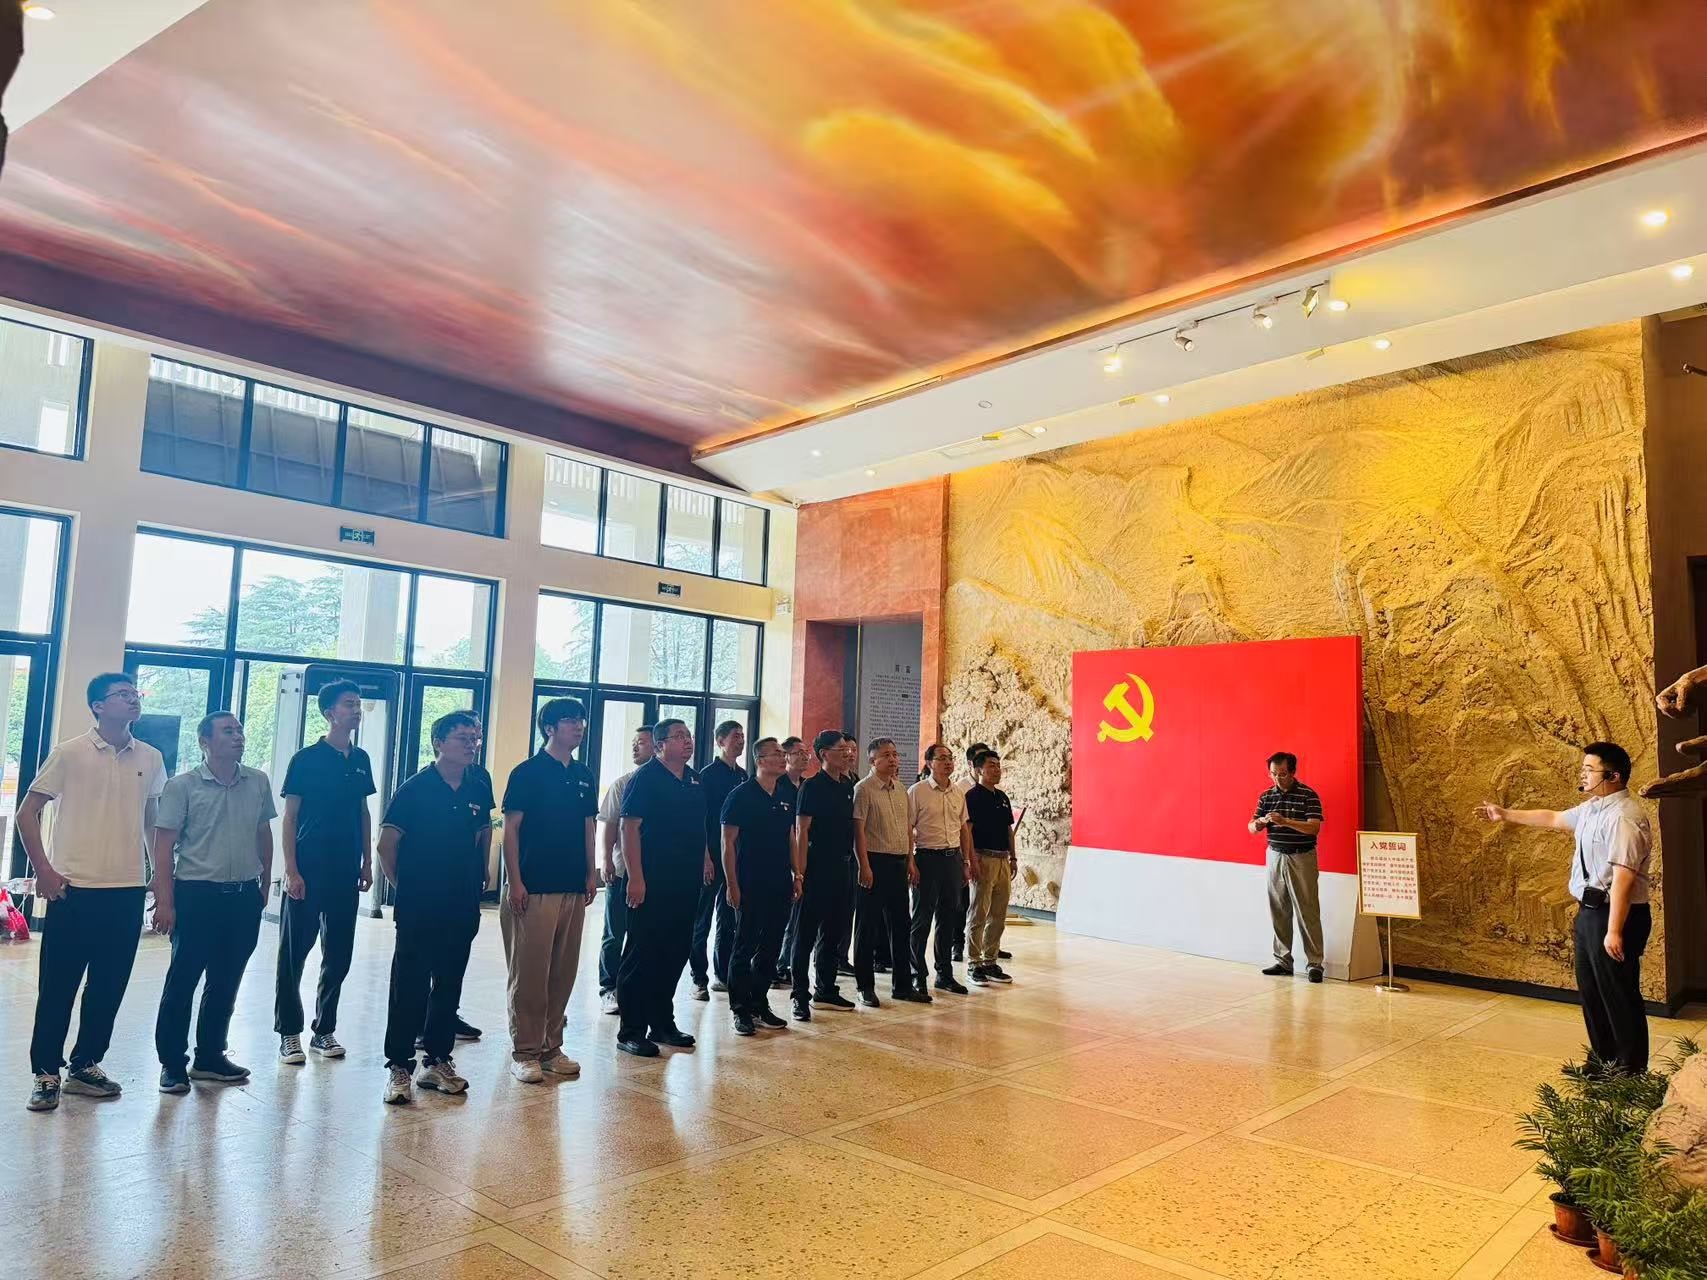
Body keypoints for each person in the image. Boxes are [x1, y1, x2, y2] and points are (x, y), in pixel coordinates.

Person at [19, 673, 167, 1112]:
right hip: (74, 890)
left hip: (126, 890)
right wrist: (44, 871)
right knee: (58, 987)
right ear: (98, 706)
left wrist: (160, 876)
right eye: (122, 694)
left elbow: (152, 822)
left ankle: (85, 1064)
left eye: (134, 693)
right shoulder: (70, 752)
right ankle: (46, 1072)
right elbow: (27, 813)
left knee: (108, 986)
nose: (132, 699)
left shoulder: (151, 757)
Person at [1476, 743, 1653, 1071]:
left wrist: (1614, 931)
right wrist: (1505, 814)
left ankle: (1630, 1073)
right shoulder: (1593, 808)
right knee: (1592, 991)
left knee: (1618, 994)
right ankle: (1602, 1063)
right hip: (1590, 912)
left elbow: (1624, 879)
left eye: (1590, 769)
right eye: (1583, 768)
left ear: (1613, 776)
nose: (1583, 774)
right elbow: (1553, 817)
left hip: (1617, 915)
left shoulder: (1625, 817)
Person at [150, 713, 274, 1094]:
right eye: (228, 731)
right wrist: (164, 899)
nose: (238, 736)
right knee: (183, 980)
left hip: (243, 897)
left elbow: (263, 832)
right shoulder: (182, 786)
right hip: (196, 895)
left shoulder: (257, 781)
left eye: (240, 730)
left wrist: (264, 884)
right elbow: (163, 845)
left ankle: (210, 1056)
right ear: (205, 742)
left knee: (226, 980)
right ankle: (172, 1063)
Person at [378, 712, 492, 1104]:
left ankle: (438, 1061)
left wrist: (479, 873)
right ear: (439, 742)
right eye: (462, 738)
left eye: (474, 738)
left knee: (448, 983)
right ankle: (399, 1065)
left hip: (461, 904)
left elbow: (482, 833)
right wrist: (407, 886)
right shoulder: (415, 788)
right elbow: (386, 846)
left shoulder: (478, 784)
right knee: (409, 986)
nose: (471, 744)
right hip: (420, 906)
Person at [275, 680, 374, 1065]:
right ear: (330, 713)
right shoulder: (305, 759)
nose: (356, 710)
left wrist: (367, 861)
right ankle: (289, 1033)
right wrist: (291, 869)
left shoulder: (361, 759)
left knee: (339, 953)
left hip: (345, 870)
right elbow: (290, 817)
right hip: (308, 867)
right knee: (294, 953)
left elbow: (363, 812)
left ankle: (324, 1029)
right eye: (349, 704)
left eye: (358, 703)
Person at [499, 698, 598, 1084]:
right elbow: (511, 830)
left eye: (581, 720)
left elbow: (588, 827)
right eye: (571, 720)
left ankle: (551, 1047)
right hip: (534, 885)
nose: (579, 726)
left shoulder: (584, 774)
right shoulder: (527, 772)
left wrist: (591, 873)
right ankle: (525, 1050)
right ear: (550, 728)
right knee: (530, 973)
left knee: (562, 972)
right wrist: (515, 880)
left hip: (572, 885)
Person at [615, 718, 713, 1057]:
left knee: (675, 950)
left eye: (688, 735)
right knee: (643, 953)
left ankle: (662, 1023)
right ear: (659, 745)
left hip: (685, 881)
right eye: (679, 736)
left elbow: (699, 825)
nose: (687, 741)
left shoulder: (695, 779)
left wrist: (705, 858)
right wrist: (636, 877)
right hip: (651, 880)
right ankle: (631, 1030)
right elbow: (628, 829)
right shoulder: (646, 778)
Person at [721, 737, 799, 1036]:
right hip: (749, 880)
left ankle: (759, 1002)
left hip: (779, 881)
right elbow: (727, 843)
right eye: (776, 754)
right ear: (761, 760)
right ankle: (740, 1008)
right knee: (745, 945)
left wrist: (797, 874)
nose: (782, 758)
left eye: (782, 753)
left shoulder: (785, 794)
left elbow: (790, 837)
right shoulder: (741, 795)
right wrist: (732, 884)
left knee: (771, 945)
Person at [852, 738, 926, 1006]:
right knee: (867, 927)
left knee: (901, 925)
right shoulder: (863, 789)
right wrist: (864, 865)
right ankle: (865, 987)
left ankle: (903, 986)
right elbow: (858, 831)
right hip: (874, 862)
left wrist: (910, 861)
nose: (893, 759)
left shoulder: (901, 789)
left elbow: (907, 829)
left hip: (898, 862)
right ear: (873, 760)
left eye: (895, 754)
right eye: (886, 755)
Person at [791, 730, 858, 1020]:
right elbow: (801, 831)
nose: (847, 754)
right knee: (805, 935)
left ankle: (826, 989)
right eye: (841, 749)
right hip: (817, 868)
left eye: (848, 749)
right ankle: (799, 995)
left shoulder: (847, 785)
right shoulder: (812, 787)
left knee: (834, 931)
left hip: (843, 868)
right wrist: (800, 873)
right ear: (824, 754)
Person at [1249, 751, 1326, 983]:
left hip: (1302, 856)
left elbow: (1313, 828)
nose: (1277, 779)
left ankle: (1315, 964)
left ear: (1292, 772)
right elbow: (1251, 827)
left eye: (1282, 774)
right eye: (1273, 774)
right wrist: (1259, 823)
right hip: (1275, 855)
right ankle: (1283, 960)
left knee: (1307, 910)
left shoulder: (1308, 795)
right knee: (1278, 909)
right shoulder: (1266, 796)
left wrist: (1285, 821)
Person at [597, 724, 655, 1014]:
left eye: (640, 742)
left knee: (644, 933)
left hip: (655, 872)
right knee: (614, 932)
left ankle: (637, 985)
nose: (634, 747)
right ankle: (609, 987)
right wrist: (606, 859)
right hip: (622, 871)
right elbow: (610, 825)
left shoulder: (669, 783)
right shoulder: (623, 784)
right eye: (634, 742)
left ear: (657, 745)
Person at [909, 743, 973, 996]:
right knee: (922, 920)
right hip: (927, 859)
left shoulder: (957, 792)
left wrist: (966, 862)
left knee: (948, 918)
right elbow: (907, 829)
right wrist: (910, 862)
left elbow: (963, 829)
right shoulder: (918, 791)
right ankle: (917, 975)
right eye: (942, 758)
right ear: (929, 763)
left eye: (950, 758)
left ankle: (944, 974)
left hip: (952, 860)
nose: (948, 762)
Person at [691, 720, 747, 1000]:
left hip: (734, 858)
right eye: (735, 736)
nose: (741, 740)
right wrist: (705, 858)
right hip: (712, 855)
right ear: (720, 741)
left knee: (728, 917)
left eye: (743, 736)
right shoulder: (707, 776)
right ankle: (698, 978)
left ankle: (722, 974)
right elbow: (700, 820)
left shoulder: (743, 776)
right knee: (701, 920)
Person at [964, 750, 1017, 985]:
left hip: (1003, 859)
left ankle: (990, 960)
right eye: (991, 766)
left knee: (998, 914)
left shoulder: (1002, 797)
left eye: (998, 765)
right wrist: (971, 860)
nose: (996, 769)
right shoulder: (972, 797)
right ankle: (974, 963)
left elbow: (1008, 829)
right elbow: (967, 831)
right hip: (982, 858)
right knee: (978, 912)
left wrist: (1013, 858)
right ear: (978, 770)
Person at [773, 735, 812, 987]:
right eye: (799, 753)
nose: (804, 757)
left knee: (798, 915)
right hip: (781, 855)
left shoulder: (807, 786)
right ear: (786, 756)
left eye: (806, 752)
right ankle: (774, 963)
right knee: (782, 916)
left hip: (804, 856)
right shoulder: (778, 785)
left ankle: (786, 962)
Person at [952, 742, 988, 962]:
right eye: (980, 760)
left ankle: (984, 943)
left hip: (987, 853)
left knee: (983, 902)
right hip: (964, 852)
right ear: (970, 764)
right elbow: (962, 826)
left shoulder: (990, 789)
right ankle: (957, 944)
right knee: (961, 901)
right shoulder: (961, 789)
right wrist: (967, 857)